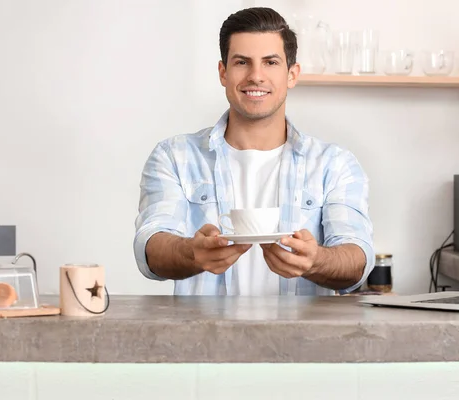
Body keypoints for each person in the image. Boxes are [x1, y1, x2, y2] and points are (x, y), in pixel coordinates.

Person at [133, 7, 374, 296]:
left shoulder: (335, 165)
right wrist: (192, 253)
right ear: (223, 73)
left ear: (292, 74)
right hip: (203, 340)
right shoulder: (174, 157)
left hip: (302, 341)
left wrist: (315, 261)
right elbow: (150, 245)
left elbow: (358, 259)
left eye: (271, 62)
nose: (256, 76)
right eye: (242, 62)